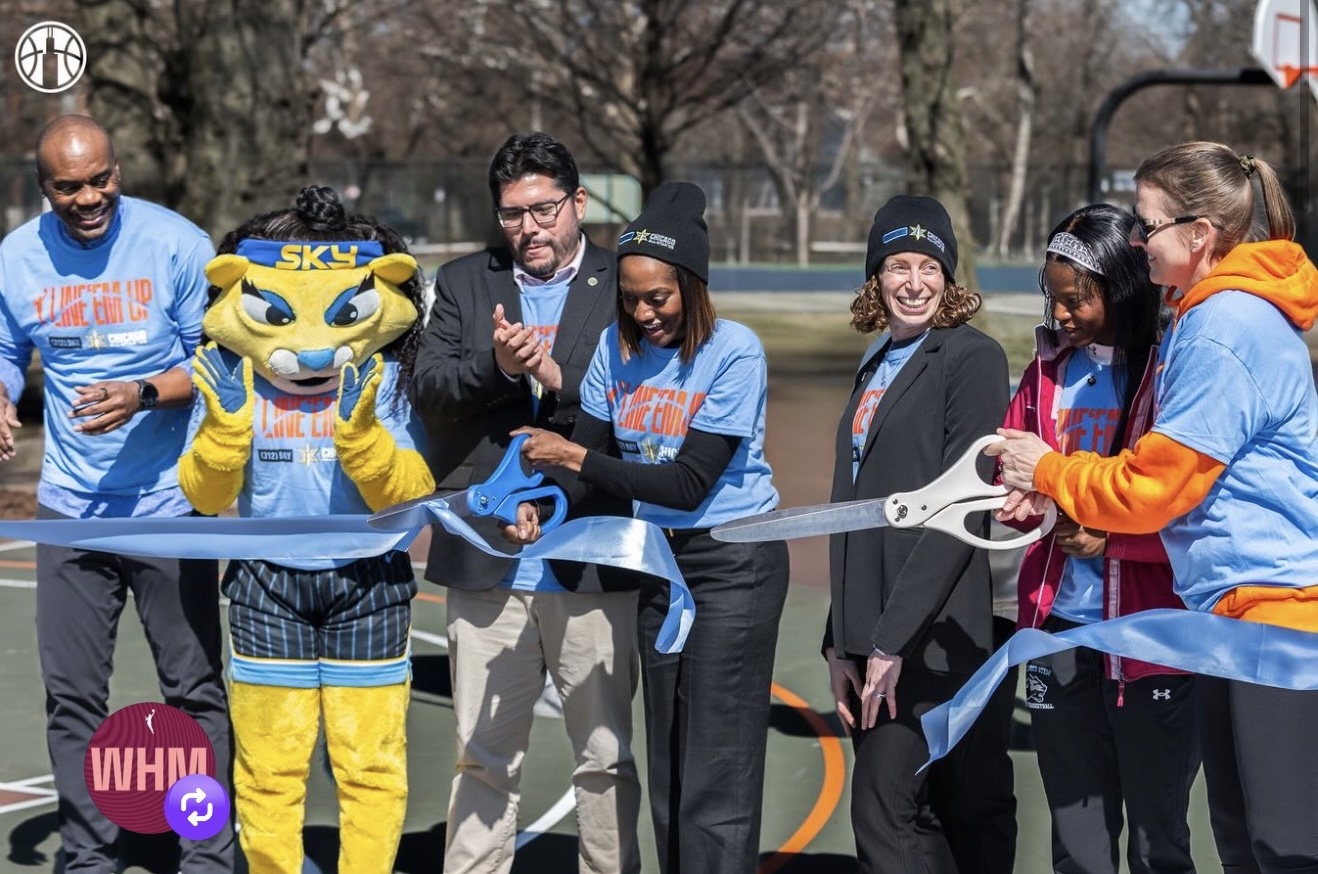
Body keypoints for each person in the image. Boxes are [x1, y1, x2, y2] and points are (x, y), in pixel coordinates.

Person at [992, 142, 1318, 874]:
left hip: (1276, 612)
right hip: (1229, 614)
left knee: (1281, 846)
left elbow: (1154, 488)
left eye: (1149, 224)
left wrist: (1049, 468)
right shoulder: (1207, 320)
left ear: (1198, 234)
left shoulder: (1224, 326)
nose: (1140, 241)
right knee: (1244, 840)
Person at [515, 180, 790, 874]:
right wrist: (541, 504)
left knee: (715, 769)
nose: (644, 311)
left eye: (658, 297)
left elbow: (687, 482)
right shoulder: (617, 347)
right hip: (656, 562)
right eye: (631, 297)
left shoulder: (734, 352)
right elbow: (589, 472)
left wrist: (576, 454)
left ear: (692, 286)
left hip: (732, 564)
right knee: (668, 756)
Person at [178, 186, 434, 874]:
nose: (314, 347)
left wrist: (360, 434)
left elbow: (408, 491)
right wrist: (226, 427)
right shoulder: (239, 382)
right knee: (269, 768)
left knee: (370, 767)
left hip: (370, 583)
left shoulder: (384, 379)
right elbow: (204, 493)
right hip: (268, 587)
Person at [0, 115, 231, 871]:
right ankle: (90, 856)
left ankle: (205, 851)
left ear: (118, 170)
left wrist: (143, 392)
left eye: (102, 179)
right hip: (70, 509)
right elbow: (6, 348)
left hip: (170, 507)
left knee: (192, 689)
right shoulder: (17, 257)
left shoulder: (177, 244)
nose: (90, 197)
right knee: (72, 699)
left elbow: (221, 365)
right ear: (45, 189)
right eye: (70, 186)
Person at [410, 132, 644, 874]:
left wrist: (553, 374)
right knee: (482, 759)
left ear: (578, 203)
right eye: (513, 213)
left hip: (591, 553)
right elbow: (432, 391)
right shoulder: (462, 283)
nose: (529, 227)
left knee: (605, 759)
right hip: (486, 556)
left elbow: (641, 404)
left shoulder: (624, 281)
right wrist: (497, 365)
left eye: (544, 208)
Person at [1004, 204, 1198, 874]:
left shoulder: (1174, 376)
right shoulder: (1046, 373)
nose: (1061, 315)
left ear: (1121, 287)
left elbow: (1193, 513)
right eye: (1053, 299)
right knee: (1077, 841)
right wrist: (1018, 502)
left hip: (1154, 645)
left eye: (1076, 299)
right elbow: (1015, 479)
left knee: (1157, 841)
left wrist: (1114, 546)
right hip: (1056, 634)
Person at [824, 195, 1011, 874]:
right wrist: (837, 639)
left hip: (929, 635)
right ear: (876, 277)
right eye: (897, 265)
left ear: (949, 277)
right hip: (872, 636)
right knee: (926, 812)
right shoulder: (877, 361)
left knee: (884, 810)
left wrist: (889, 641)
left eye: (928, 265)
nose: (913, 281)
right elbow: (854, 510)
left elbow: (959, 511)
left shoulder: (971, 357)